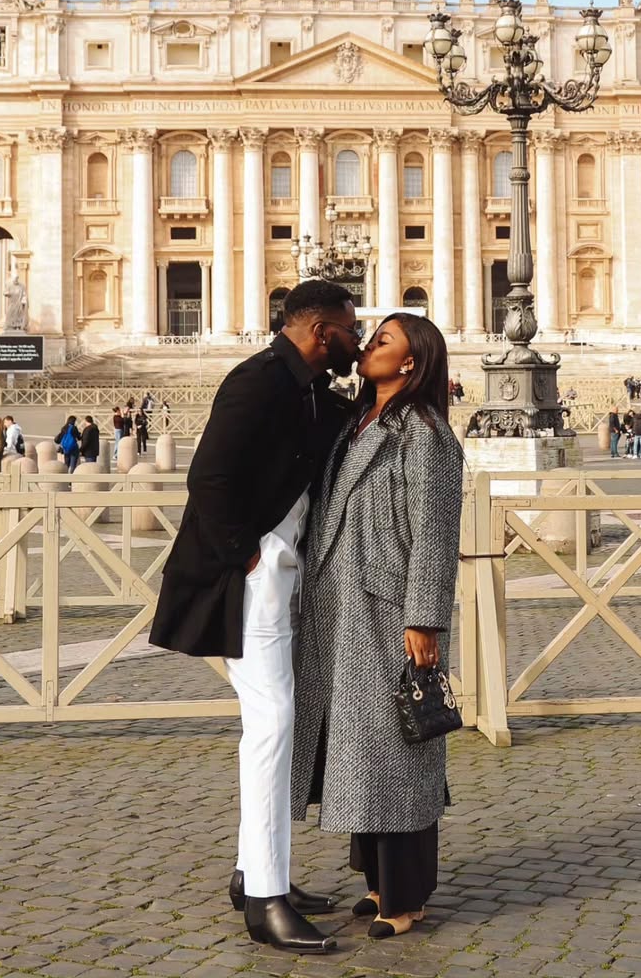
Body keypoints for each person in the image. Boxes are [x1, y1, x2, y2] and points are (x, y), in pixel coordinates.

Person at [150, 280, 358, 955]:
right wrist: (246, 556)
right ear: (323, 331)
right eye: (353, 327)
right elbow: (207, 478)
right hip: (255, 577)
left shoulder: (304, 388)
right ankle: (266, 898)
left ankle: (255, 873)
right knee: (271, 725)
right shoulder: (257, 381)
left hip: (280, 573)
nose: (357, 339)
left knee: (276, 722)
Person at [291, 313, 463, 940]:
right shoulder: (360, 420)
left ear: (412, 361)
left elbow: (436, 531)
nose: (367, 346)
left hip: (389, 609)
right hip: (342, 606)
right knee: (356, 746)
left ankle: (406, 897)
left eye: (383, 340)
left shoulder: (426, 433)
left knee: (397, 750)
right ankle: (374, 879)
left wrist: (425, 617)